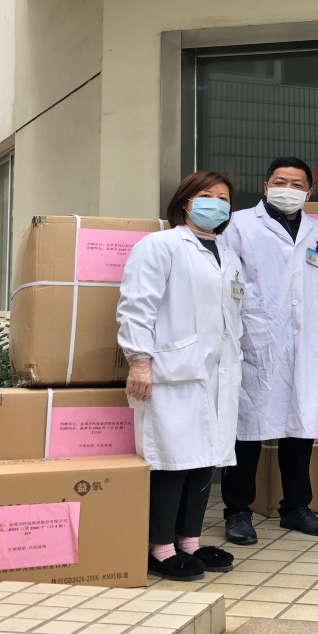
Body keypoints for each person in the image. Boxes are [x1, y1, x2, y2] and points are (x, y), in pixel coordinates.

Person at [117, 171, 244, 581]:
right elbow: (137, 306)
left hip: (219, 372)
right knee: (172, 461)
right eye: (206, 195)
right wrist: (139, 360)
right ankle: (160, 548)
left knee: (205, 461)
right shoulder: (160, 245)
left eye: (223, 198)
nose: (216, 203)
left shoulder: (229, 255)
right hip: (171, 371)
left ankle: (190, 542)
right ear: (185, 202)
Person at [219, 157, 318, 544]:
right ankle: (237, 510)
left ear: (309, 192)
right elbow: (225, 280)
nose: (287, 189)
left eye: (296, 184)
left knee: (301, 426)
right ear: (266, 186)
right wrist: (230, 330)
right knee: (247, 429)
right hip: (254, 339)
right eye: (280, 181)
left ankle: (296, 507)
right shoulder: (239, 225)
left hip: (308, 343)